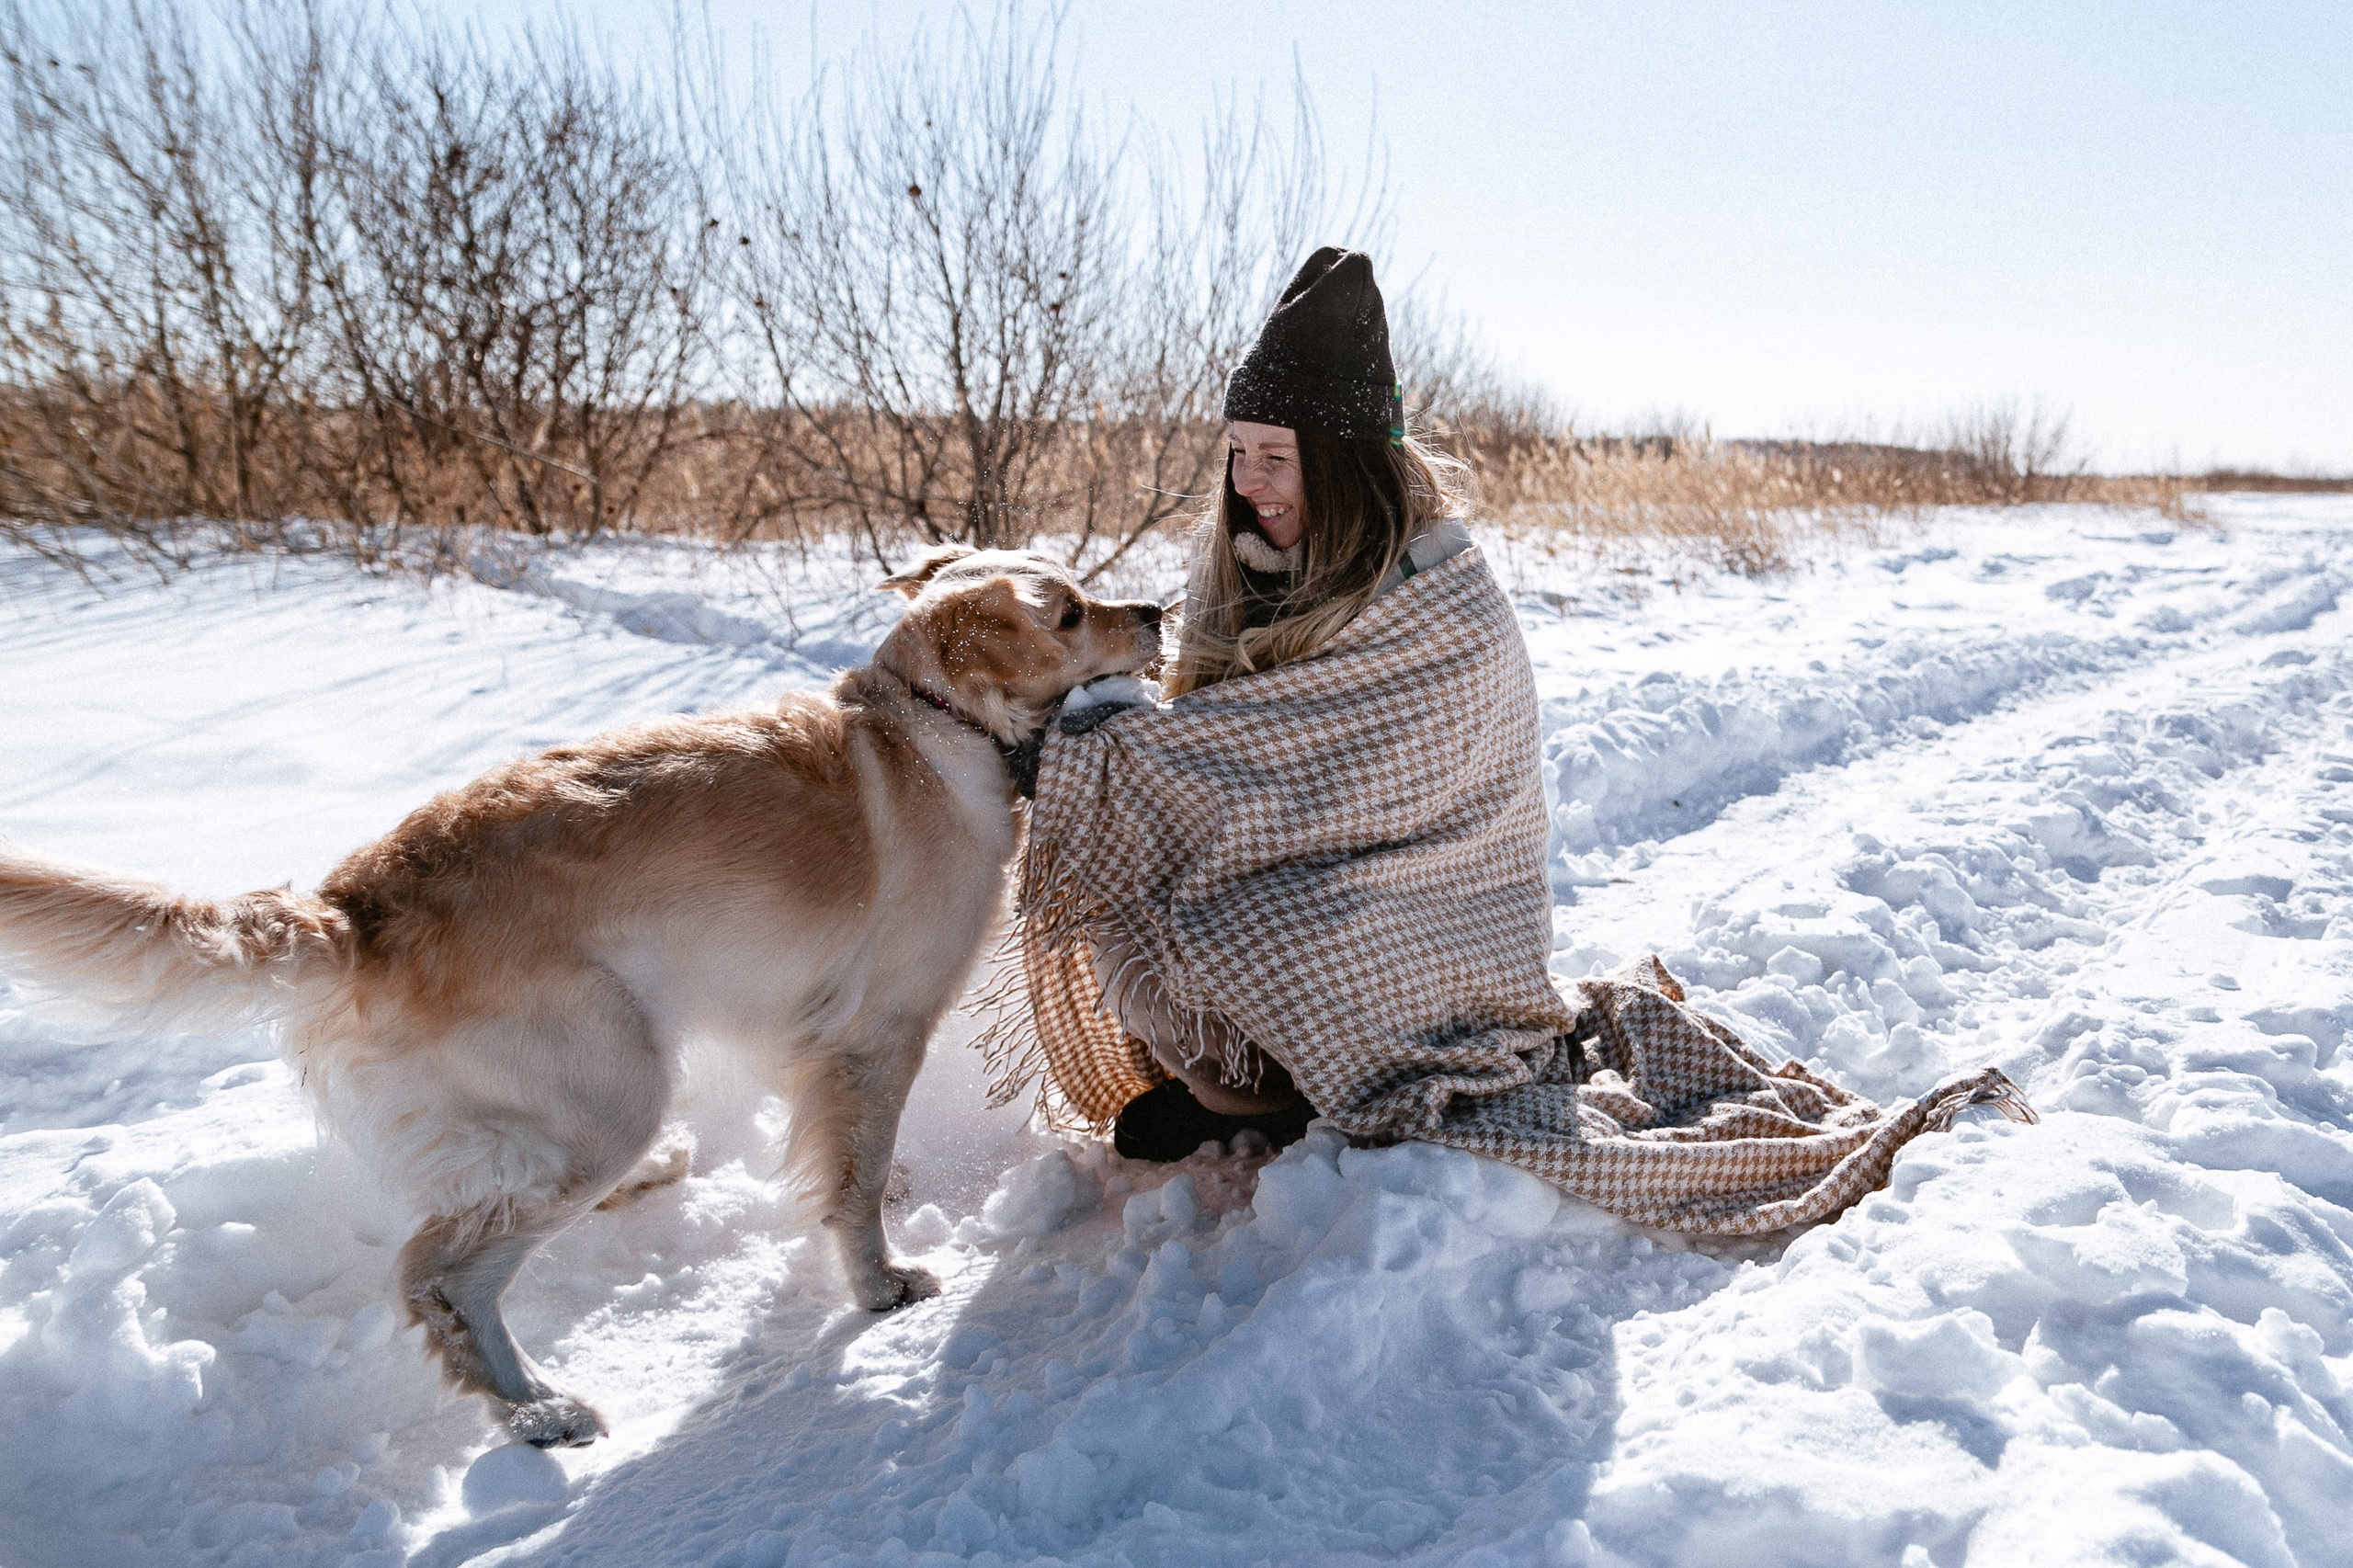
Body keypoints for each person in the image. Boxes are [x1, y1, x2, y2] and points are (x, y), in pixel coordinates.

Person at [1008, 246, 2032, 1226]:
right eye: (1237, 455)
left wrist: (1117, 756)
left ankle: (1309, 1081)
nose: (1250, 482)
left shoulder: (1437, 602)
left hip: (1424, 929)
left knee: (1238, 874)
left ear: (1347, 465)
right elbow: (1234, 762)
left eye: (1276, 457)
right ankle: (1258, 1085)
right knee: (1143, 839)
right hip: (1331, 889)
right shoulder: (1250, 573)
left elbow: (1289, 759)